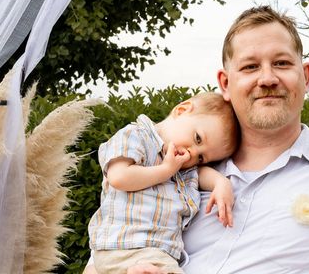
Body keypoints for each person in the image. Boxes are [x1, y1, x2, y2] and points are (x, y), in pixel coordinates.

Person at [86, 5, 309, 274]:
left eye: (281, 63)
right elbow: (116, 244)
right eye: (251, 66)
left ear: (306, 76)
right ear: (225, 83)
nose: (267, 78)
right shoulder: (183, 169)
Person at [88, 92, 239, 274]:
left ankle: (137, 270)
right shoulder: (136, 135)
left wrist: (221, 183)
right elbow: (119, 177)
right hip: (121, 243)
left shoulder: (182, 168)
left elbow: (200, 174)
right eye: (197, 138)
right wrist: (165, 170)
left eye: (201, 157)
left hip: (157, 253)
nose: (192, 154)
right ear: (182, 110)